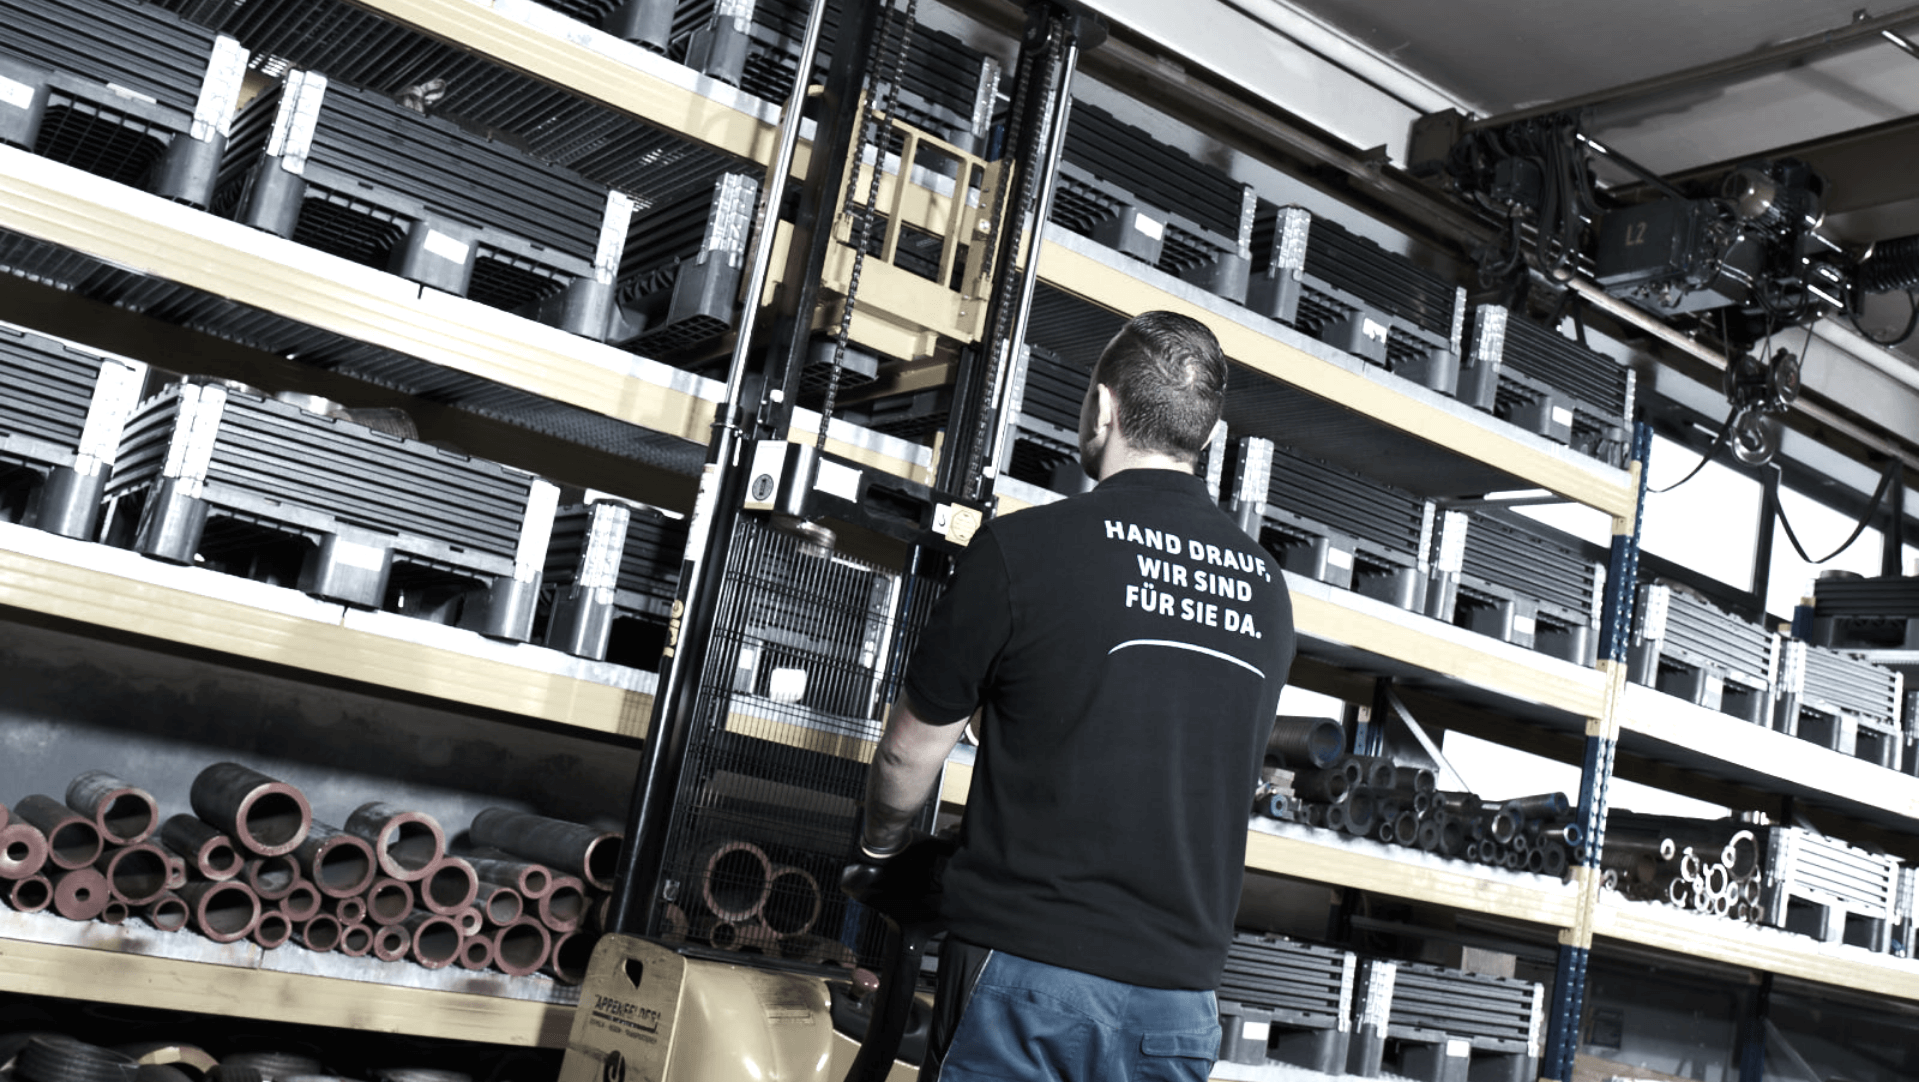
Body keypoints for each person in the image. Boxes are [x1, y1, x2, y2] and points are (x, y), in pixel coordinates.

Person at [855, 310, 1297, 1082]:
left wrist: (880, 851)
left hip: (1028, 981)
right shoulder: (1267, 592)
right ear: (1205, 439)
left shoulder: (1024, 549)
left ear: (1102, 408)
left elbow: (906, 752)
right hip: (1179, 1004)